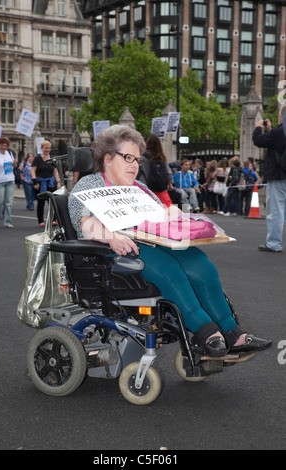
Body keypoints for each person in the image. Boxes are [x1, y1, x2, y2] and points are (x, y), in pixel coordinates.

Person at [68, 124, 271, 357]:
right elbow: (83, 222)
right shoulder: (89, 185)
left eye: (137, 160)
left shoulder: (140, 188)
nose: (135, 165)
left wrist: (173, 214)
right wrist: (111, 237)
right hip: (116, 249)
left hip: (153, 241)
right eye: (128, 158)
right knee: (170, 270)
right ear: (108, 158)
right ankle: (205, 331)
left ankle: (233, 333)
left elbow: (161, 215)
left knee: (202, 266)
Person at [253, 107, 286, 252]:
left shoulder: (278, 132)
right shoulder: (279, 132)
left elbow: (259, 141)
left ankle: (274, 243)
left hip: (278, 176)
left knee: (276, 211)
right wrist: (271, 129)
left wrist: (258, 128)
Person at [31, 140, 61, 227]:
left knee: (53, 202)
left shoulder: (52, 159)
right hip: (40, 183)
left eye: (49, 148)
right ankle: (41, 221)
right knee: (41, 203)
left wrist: (58, 182)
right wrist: (34, 182)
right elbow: (33, 170)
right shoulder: (37, 158)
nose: (47, 150)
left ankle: (53, 220)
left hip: (51, 183)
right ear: (42, 148)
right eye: (45, 148)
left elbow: (55, 171)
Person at [137, 133, 173, 208]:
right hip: (161, 189)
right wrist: (170, 183)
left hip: (149, 189)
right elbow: (168, 172)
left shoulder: (143, 157)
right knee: (168, 211)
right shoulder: (161, 157)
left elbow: (142, 173)